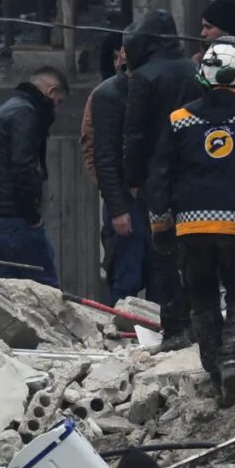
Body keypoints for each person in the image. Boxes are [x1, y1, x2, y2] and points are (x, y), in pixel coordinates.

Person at [146, 39, 235, 408]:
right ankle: (232, 360)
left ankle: (215, 371)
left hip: (192, 231)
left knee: (203, 298)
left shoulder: (178, 122)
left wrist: (160, 227)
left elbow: (160, 178)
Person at [0, 68, 65, 290]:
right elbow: (23, 167)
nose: (57, 108)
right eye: (58, 101)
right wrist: (32, 215)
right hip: (15, 219)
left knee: (9, 292)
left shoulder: (9, 110)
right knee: (46, 291)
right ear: (50, 91)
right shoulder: (25, 114)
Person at [87, 27, 148, 316]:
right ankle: (121, 332)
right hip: (123, 198)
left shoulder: (153, 86)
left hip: (150, 197)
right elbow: (98, 152)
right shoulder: (107, 95)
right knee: (125, 274)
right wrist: (117, 204)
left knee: (156, 271)